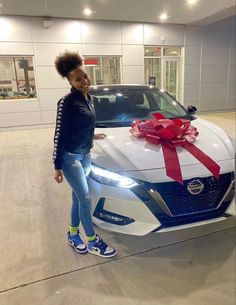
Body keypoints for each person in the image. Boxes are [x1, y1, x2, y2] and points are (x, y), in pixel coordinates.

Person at [53, 51, 116, 258]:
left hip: (85, 154)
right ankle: (92, 240)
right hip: (70, 158)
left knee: (77, 198)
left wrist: (93, 137)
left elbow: (84, 125)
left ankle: (72, 235)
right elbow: (60, 133)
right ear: (70, 81)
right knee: (86, 198)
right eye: (78, 79)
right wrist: (57, 165)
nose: (84, 81)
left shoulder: (89, 98)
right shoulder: (67, 102)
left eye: (85, 77)